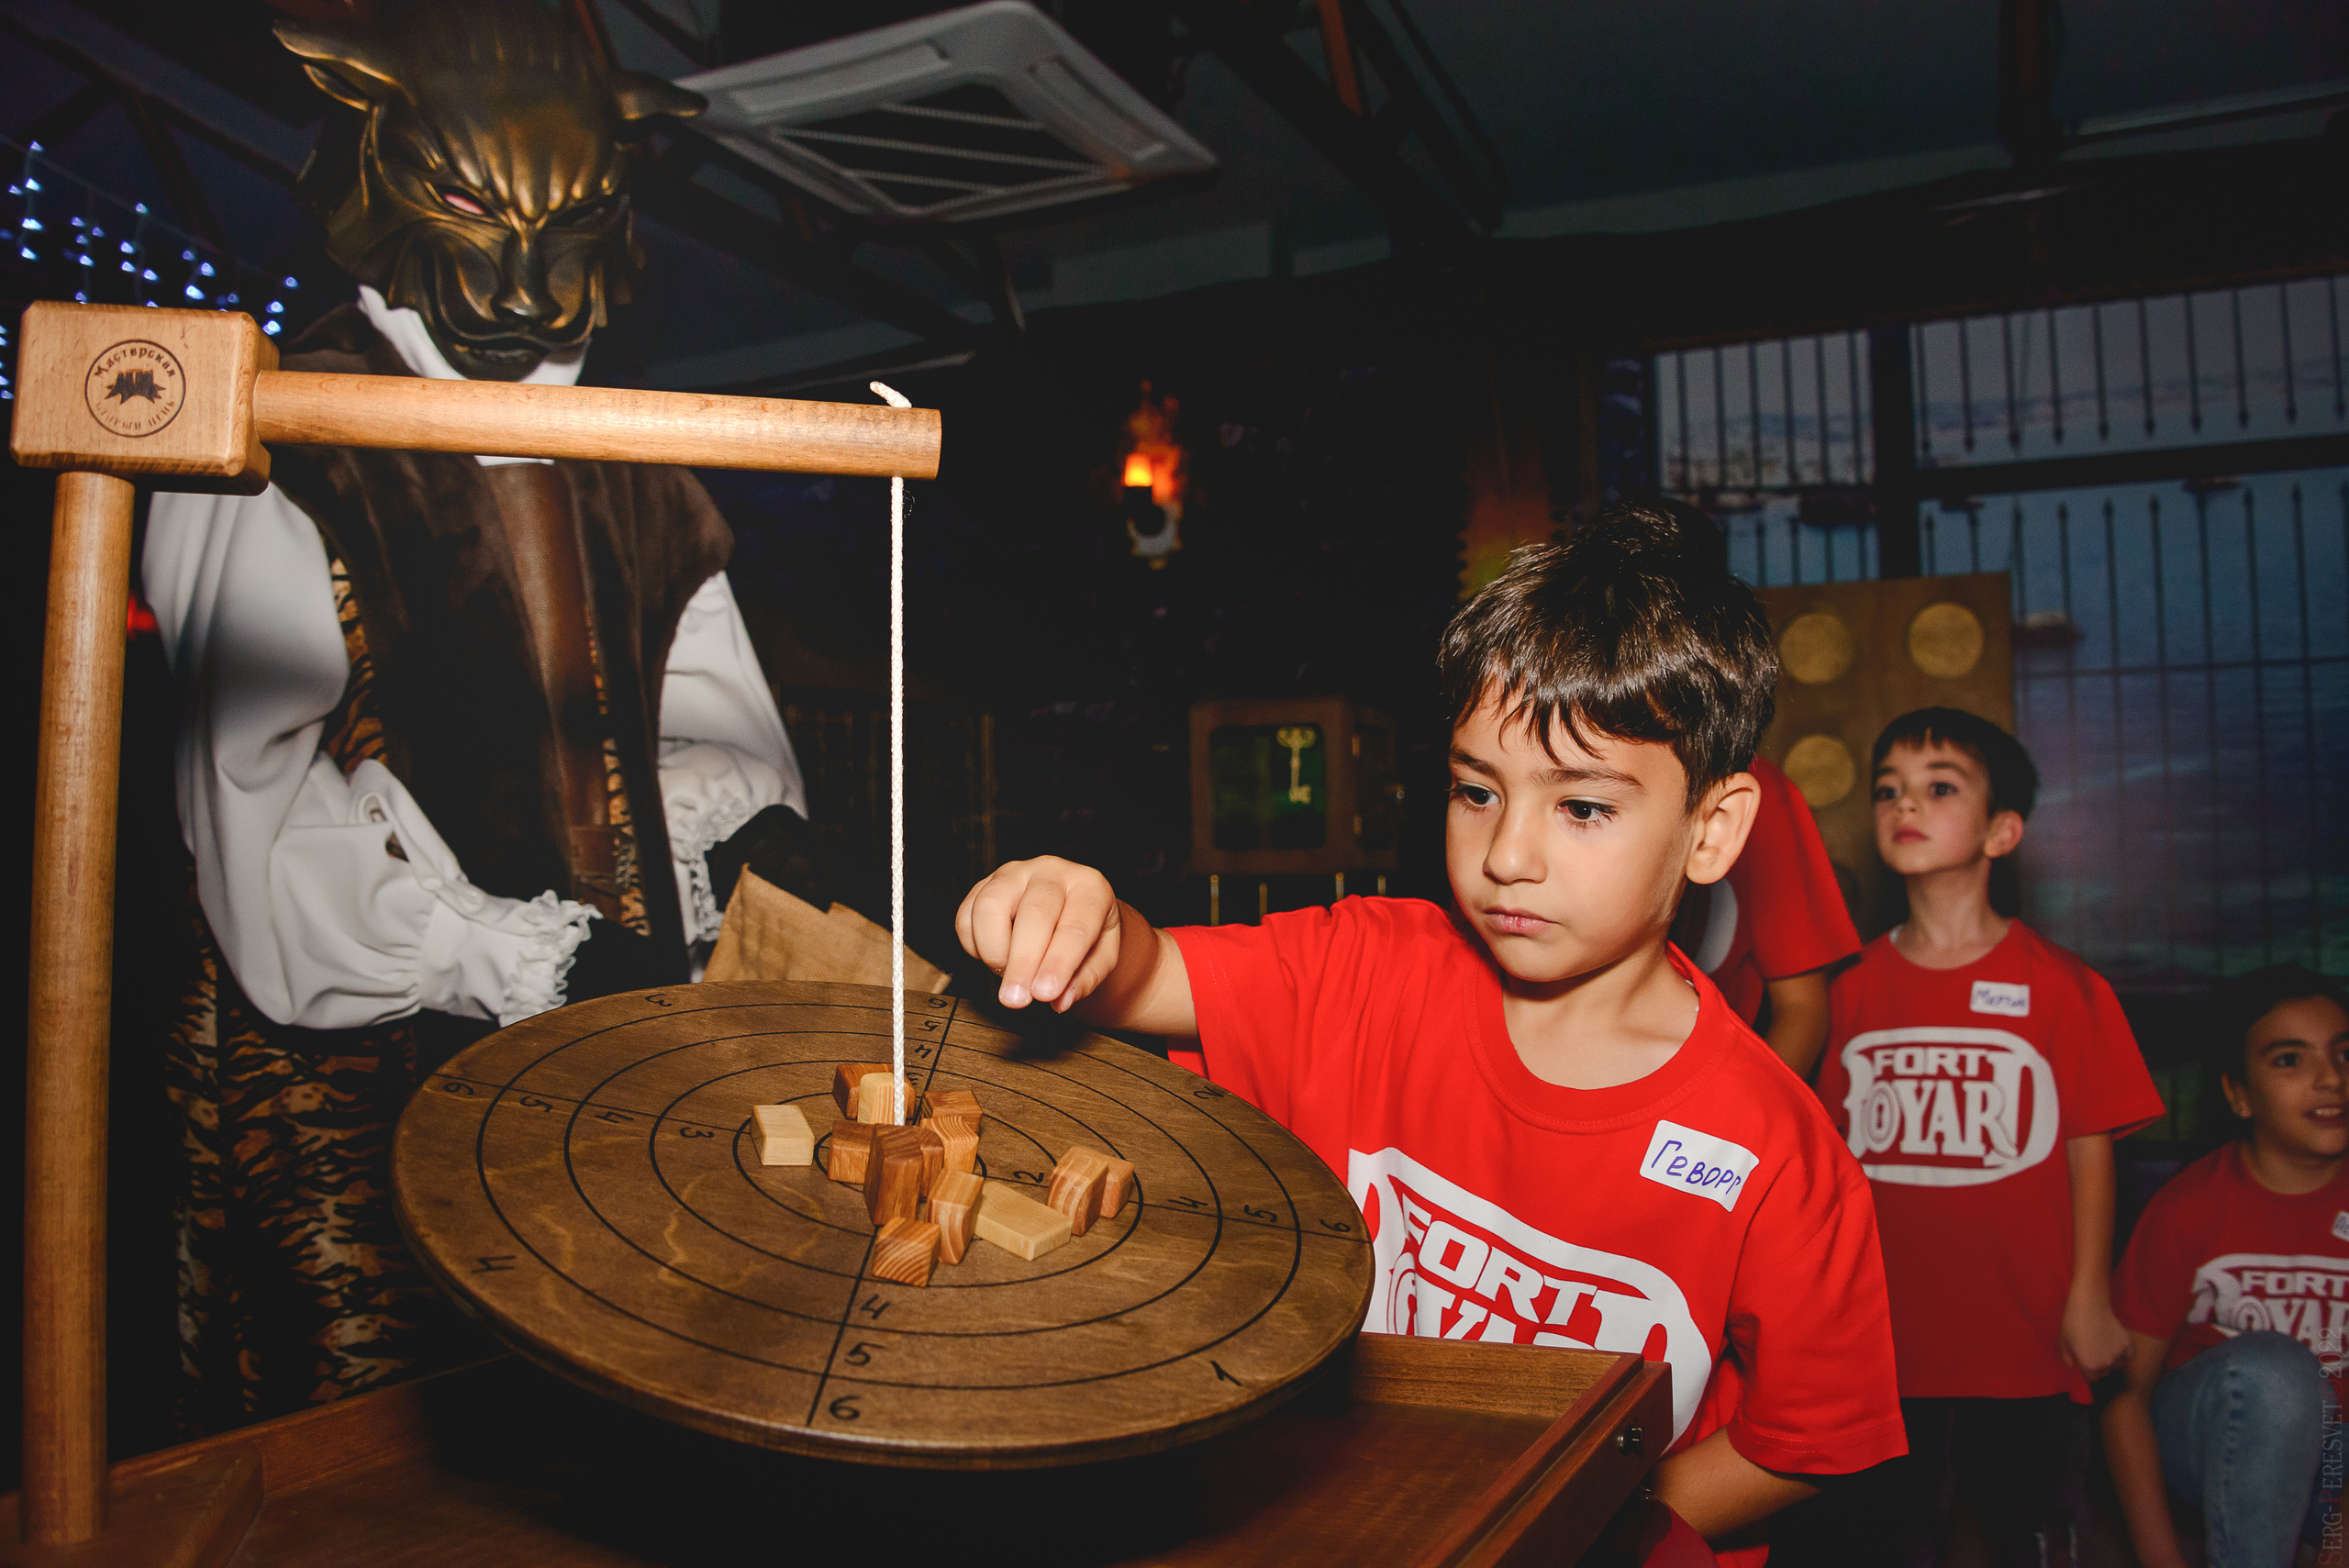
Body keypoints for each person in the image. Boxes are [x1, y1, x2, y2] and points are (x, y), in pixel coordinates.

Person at [958, 506, 1907, 1562]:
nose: (1508, 854)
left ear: (1712, 828)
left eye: (1582, 807)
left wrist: (1582, 1515)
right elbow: (1145, 975)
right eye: (1475, 790)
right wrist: (1077, 911)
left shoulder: (1776, 1150)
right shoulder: (1369, 968)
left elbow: (1809, 1438)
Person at [142, 0, 829, 1424]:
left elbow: (715, 729)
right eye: (473, 209)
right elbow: (257, 807)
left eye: (564, 226)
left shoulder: (643, 465)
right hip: (362, 1080)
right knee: (385, 1464)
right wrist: (491, 953)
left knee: (610, 1428)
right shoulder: (276, 439)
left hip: (617, 1078)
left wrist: (744, 873)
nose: (523, 286)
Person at [1810, 708, 2165, 1566]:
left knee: (2027, 1538)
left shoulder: (2065, 986)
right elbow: (1818, 1169)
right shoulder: (1844, 991)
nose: (1905, 803)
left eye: (1939, 787)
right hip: (1883, 1353)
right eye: (1888, 789)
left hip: (2026, 1348)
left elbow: (2090, 1144)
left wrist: (2088, 1297)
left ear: (2002, 831)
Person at [2105, 964, 2348, 1568]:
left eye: (2345, 1053)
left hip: (2334, 1466)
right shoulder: (2191, 1206)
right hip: (2206, 1441)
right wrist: (2160, 1556)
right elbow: (2124, 1396)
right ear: (2238, 1094)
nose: (2331, 1078)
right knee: (2277, 1376)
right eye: (2290, 1060)